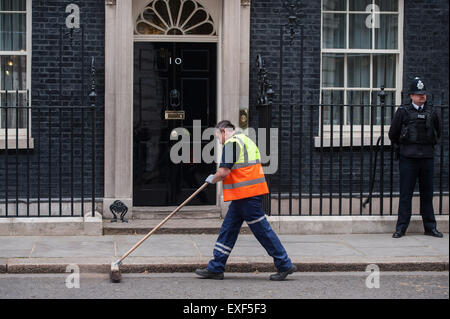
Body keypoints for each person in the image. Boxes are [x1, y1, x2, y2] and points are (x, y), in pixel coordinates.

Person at [195, 120, 296, 280]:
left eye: (217, 137)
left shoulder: (231, 144)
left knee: (262, 230)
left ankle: (284, 263)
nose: (219, 141)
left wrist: (211, 180)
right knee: (228, 229)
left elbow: (223, 172)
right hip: (243, 196)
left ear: (223, 132)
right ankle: (216, 266)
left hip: (247, 196)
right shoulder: (245, 140)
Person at [388, 77, 443, 238]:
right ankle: (401, 228)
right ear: (411, 95)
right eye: (418, 94)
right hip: (408, 158)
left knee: (427, 193)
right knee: (406, 194)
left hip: (427, 157)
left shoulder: (432, 111)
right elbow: (393, 133)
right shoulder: (403, 111)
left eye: (423, 94)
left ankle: (430, 227)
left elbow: (438, 132)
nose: (422, 96)